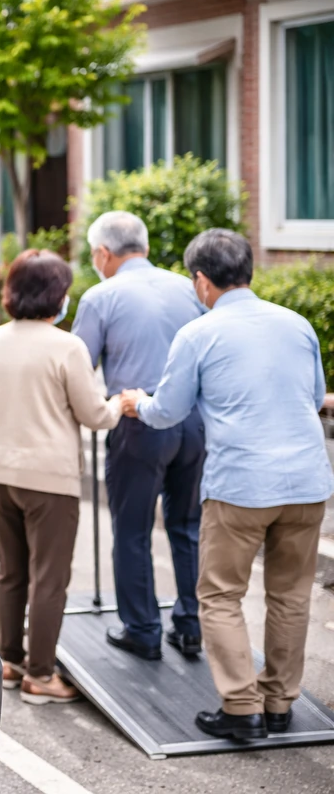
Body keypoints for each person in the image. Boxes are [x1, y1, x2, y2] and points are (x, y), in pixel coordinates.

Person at [121, 229, 334, 741]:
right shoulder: (297, 324)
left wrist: (135, 403)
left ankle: (241, 709)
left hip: (241, 485)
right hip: (307, 482)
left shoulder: (200, 332)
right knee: (290, 596)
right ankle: (280, 703)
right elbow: (312, 398)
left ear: (201, 280)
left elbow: (168, 410)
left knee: (219, 596)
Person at [0, 250, 122, 705]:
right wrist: (120, 405)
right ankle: (41, 675)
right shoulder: (67, 346)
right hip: (50, 480)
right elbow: (94, 414)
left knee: (11, 571)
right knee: (49, 578)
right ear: (55, 296)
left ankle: (8, 661)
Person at [72, 210, 206, 661]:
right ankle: (190, 627)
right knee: (187, 527)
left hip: (137, 420)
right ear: (144, 247)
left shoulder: (100, 296)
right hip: (193, 421)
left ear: (103, 253)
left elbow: (78, 364)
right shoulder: (191, 288)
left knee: (132, 530)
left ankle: (143, 630)